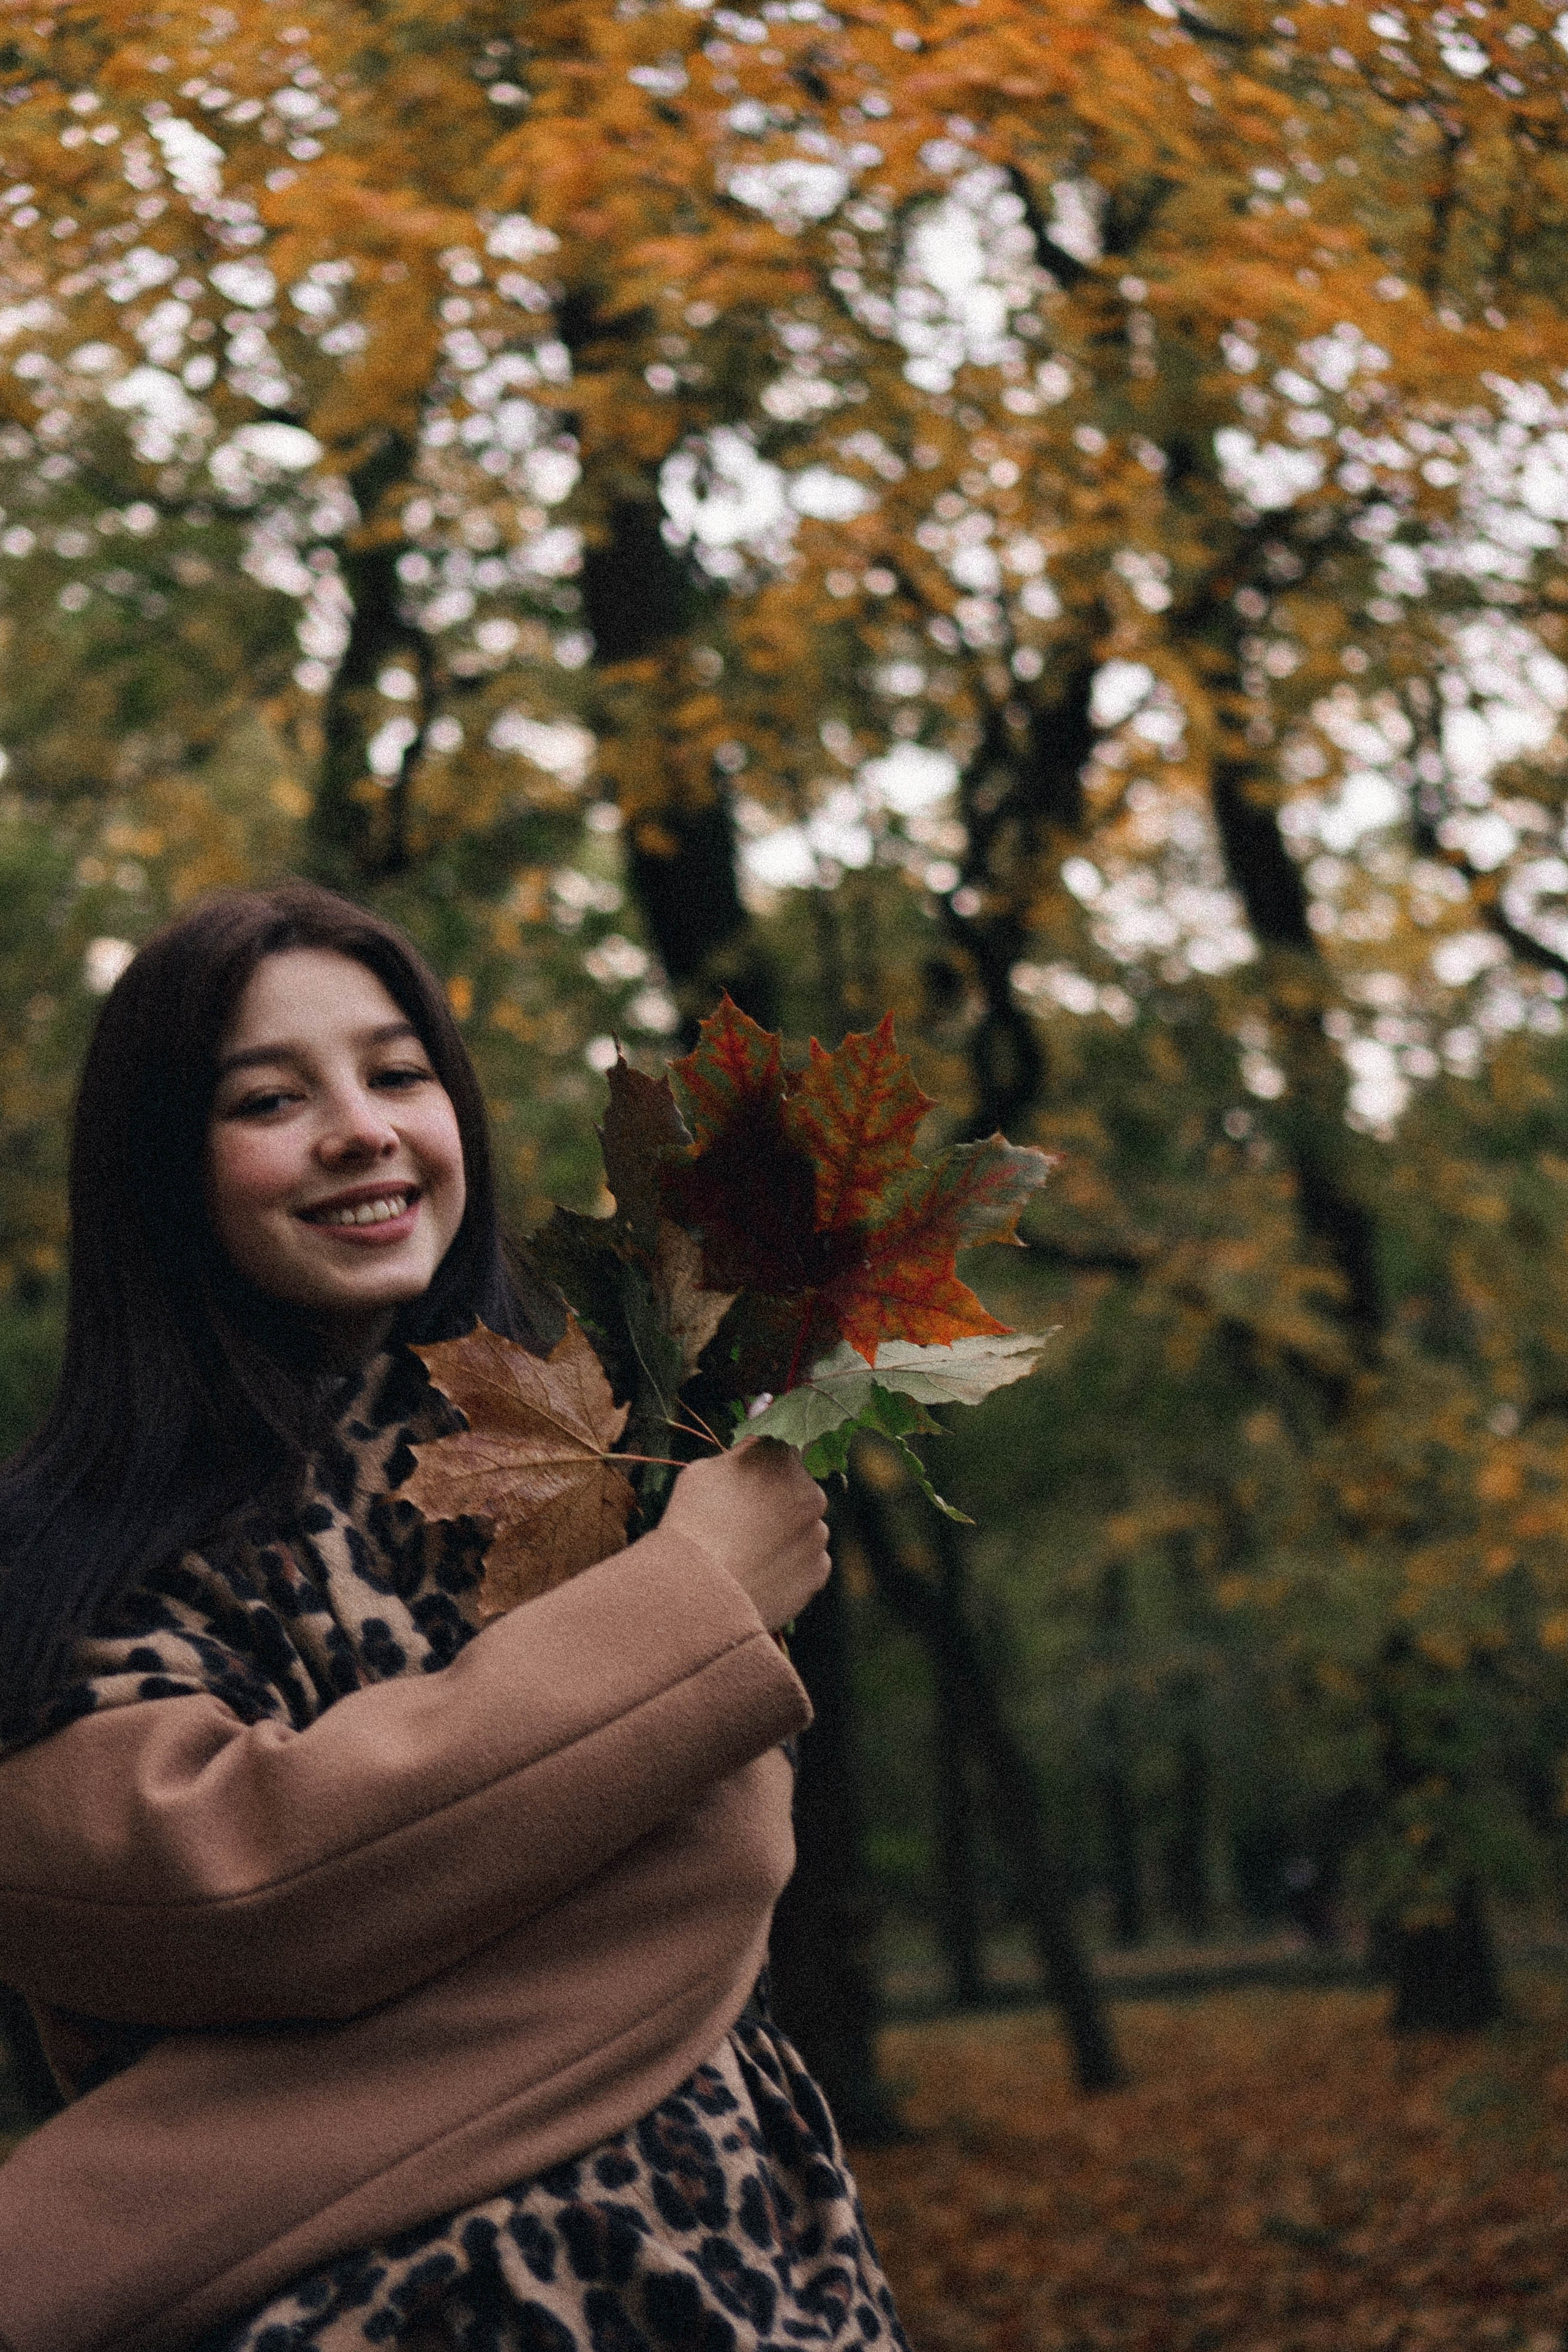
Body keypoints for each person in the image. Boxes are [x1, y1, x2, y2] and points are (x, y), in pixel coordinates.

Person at [0, 882, 911, 2352]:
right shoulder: (65, 1560)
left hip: (724, 2269)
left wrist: (403, 1900)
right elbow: (231, 1898)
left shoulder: (614, 1455)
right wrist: (693, 1618)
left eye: (398, 1073)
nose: (360, 1127)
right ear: (163, 1168)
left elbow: (721, 1862)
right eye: (269, 1098)